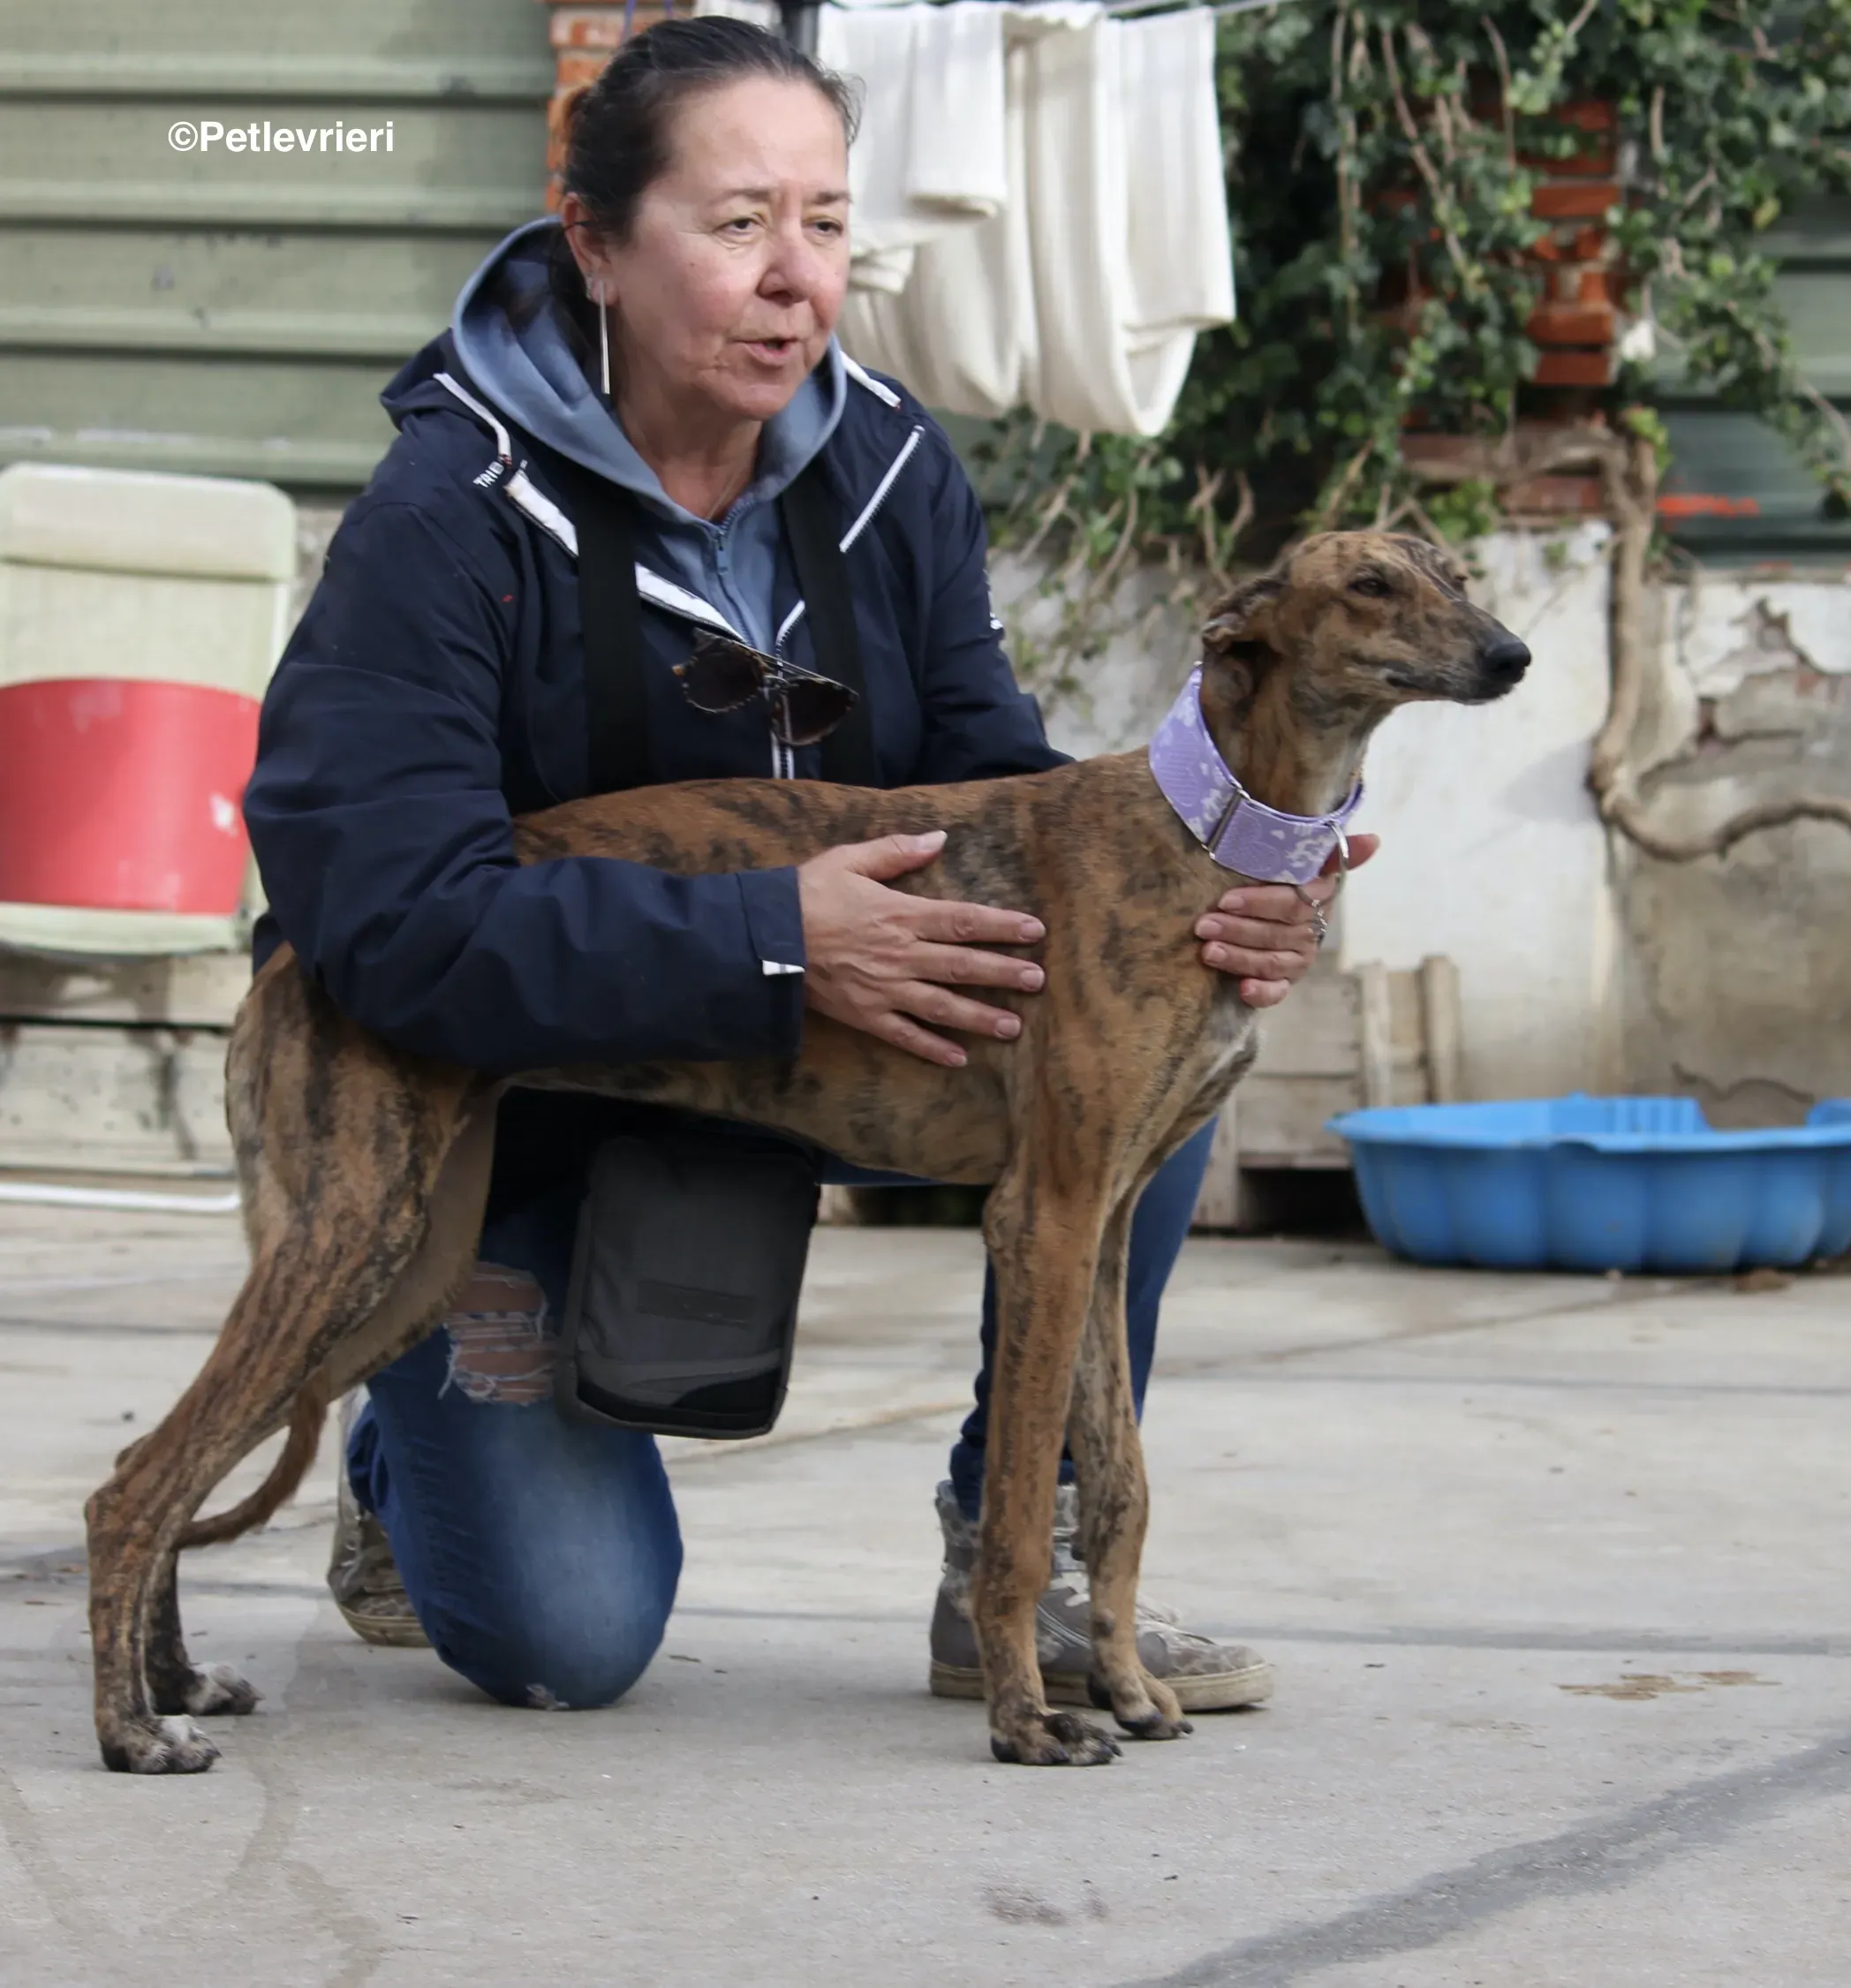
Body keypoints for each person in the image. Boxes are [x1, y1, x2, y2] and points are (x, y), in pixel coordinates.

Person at [243, 17, 1371, 1718]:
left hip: (820, 1063)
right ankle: (408, 1453)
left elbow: (1004, 776)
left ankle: (1027, 1550)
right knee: (567, 1634)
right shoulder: (445, 511)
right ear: (598, 245)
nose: (796, 280)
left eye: (830, 225)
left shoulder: (891, 465)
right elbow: (384, 912)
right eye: (738, 222)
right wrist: (766, 941)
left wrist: (1220, 892)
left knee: (1153, 1040)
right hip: (509, 1115)